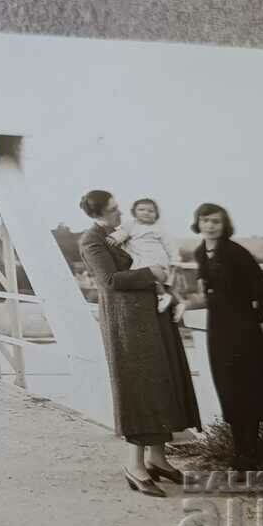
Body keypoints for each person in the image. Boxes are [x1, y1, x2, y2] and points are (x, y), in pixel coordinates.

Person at [78, 190, 202, 498]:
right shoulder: (91, 240)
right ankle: (134, 466)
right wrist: (152, 273)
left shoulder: (127, 232)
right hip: (128, 325)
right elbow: (109, 281)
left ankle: (157, 458)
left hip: (153, 317)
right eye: (113, 209)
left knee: (162, 382)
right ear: (98, 213)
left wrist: (165, 285)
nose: (120, 213)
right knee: (139, 388)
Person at [191, 202, 263, 471]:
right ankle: (240, 452)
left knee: (246, 390)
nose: (210, 225)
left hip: (242, 330)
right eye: (205, 220)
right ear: (198, 222)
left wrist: (254, 321)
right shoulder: (201, 252)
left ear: (225, 225)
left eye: (216, 221)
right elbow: (206, 290)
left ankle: (249, 455)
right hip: (217, 329)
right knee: (228, 389)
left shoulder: (235, 252)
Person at [106, 198, 185, 322]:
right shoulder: (130, 225)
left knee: (151, 275)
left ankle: (162, 296)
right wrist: (115, 238)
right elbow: (123, 233)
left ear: (156, 214)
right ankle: (178, 303)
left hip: (154, 256)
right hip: (139, 256)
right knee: (152, 278)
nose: (146, 213)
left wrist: (175, 260)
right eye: (141, 209)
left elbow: (170, 245)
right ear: (134, 212)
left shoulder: (159, 229)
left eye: (151, 211)